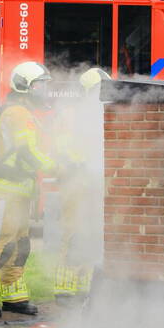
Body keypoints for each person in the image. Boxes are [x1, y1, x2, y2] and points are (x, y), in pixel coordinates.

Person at [0, 61, 57, 318]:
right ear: (26, 87)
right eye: (41, 85)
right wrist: (58, 168)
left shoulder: (24, 112)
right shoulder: (17, 113)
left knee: (19, 243)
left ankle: (13, 294)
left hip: (20, 189)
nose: (45, 90)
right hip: (7, 188)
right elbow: (28, 150)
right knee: (0, 238)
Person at [53, 67, 110, 305]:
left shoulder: (98, 113)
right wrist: (80, 164)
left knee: (92, 235)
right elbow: (64, 149)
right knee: (72, 235)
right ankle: (65, 288)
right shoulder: (72, 115)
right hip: (75, 183)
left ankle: (86, 286)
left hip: (93, 182)